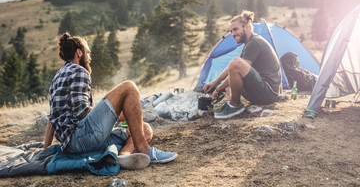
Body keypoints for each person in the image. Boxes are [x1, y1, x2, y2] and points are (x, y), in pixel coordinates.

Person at [41, 32, 177, 170]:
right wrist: (115, 115)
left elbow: (53, 117)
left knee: (145, 129)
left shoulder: (57, 78)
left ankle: (124, 154)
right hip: (82, 138)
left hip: (72, 146)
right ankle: (144, 150)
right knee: (129, 87)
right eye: (88, 53)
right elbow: (81, 111)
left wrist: (45, 148)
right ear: (78, 53)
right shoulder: (79, 71)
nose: (90, 58)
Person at [203, 10, 282, 119]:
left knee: (235, 63)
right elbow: (232, 69)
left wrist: (217, 89)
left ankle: (234, 106)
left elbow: (236, 66)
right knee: (232, 73)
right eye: (231, 31)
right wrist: (215, 82)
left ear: (247, 27)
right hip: (262, 91)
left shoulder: (254, 42)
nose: (233, 34)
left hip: (268, 93)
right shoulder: (249, 43)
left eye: (235, 29)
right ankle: (232, 103)